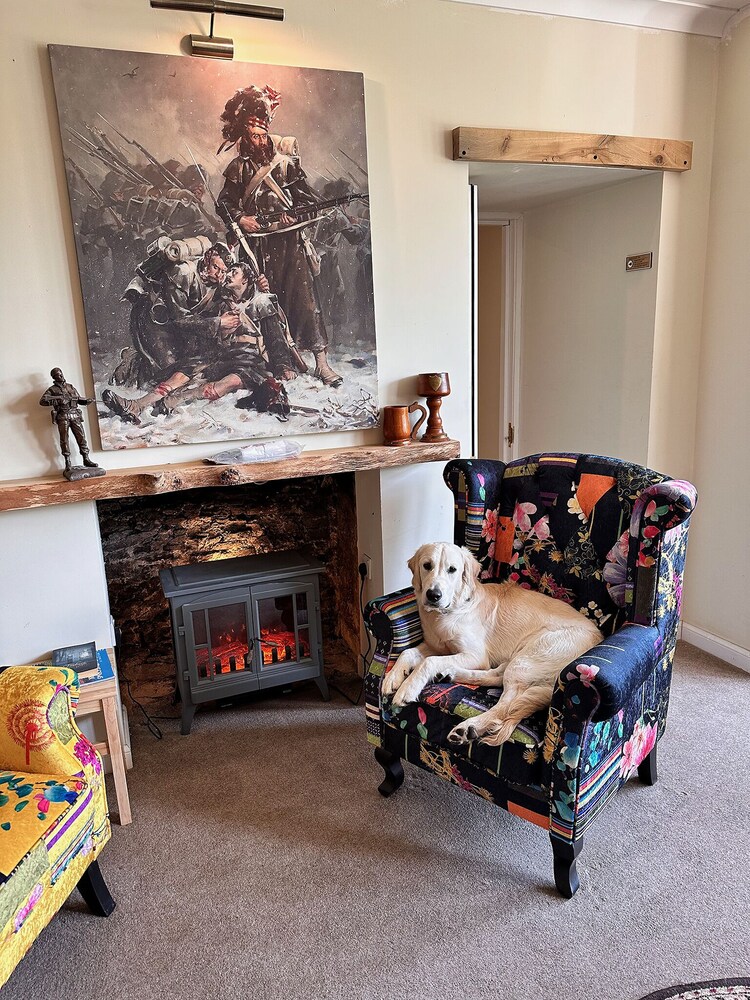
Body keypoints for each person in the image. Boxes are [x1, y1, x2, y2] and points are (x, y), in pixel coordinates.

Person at [216, 84, 343, 387]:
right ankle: (279, 360)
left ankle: (321, 364)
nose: (258, 141)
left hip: (289, 244)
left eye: (262, 135)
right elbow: (225, 203)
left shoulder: (286, 165)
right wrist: (241, 219)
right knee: (265, 301)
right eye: (252, 136)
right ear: (244, 137)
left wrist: (294, 215)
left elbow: (307, 201)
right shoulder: (237, 168)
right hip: (256, 246)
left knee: (305, 302)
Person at [39, 368, 101, 475]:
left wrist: (87, 401)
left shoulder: (70, 387)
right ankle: (68, 462)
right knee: (64, 439)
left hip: (75, 415)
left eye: (61, 374)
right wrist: (58, 399)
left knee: (81, 437)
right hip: (63, 416)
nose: (61, 376)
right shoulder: (52, 389)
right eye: (58, 375)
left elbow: (78, 399)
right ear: (54, 377)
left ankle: (86, 459)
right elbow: (43, 401)